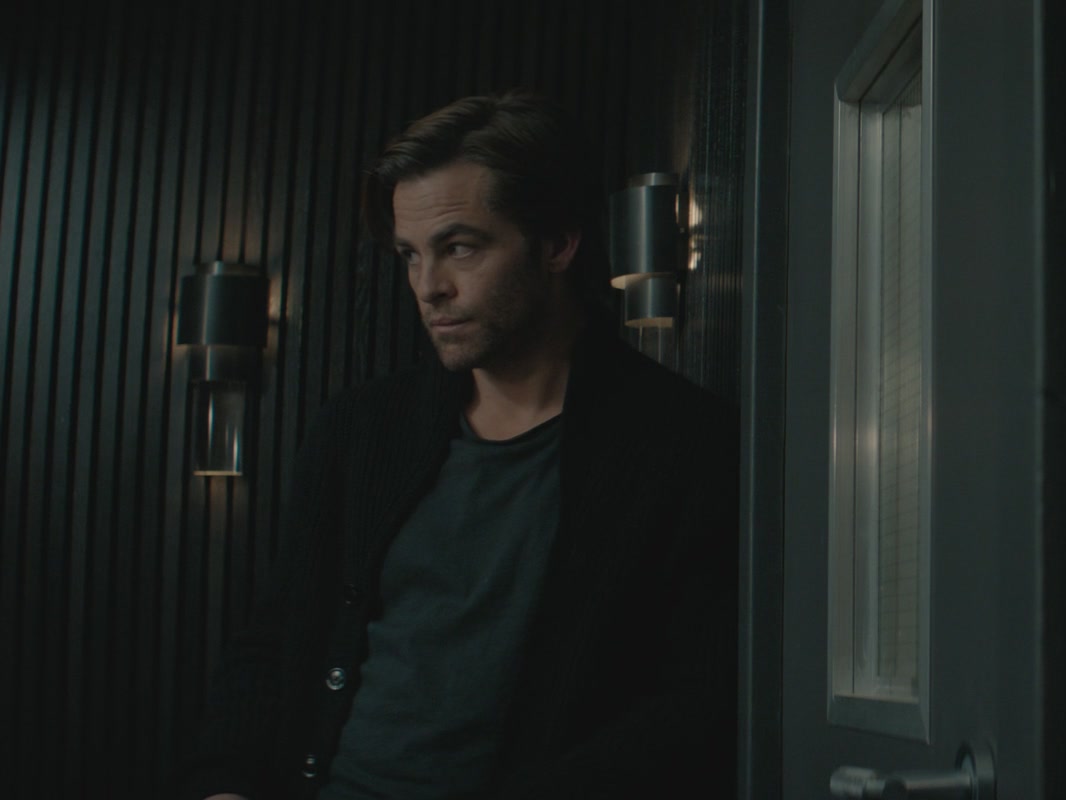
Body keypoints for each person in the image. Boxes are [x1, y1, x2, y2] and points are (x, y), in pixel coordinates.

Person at [180, 91, 738, 800]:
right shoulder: (359, 430)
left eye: (460, 248)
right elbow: (280, 637)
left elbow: (694, 706)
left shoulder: (682, 443)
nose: (428, 287)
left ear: (557, 244)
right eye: (410, 255)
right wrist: (225, 784)